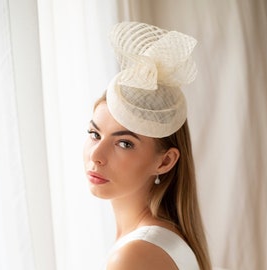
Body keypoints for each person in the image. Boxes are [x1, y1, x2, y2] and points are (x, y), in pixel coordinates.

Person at [83, 21, 212, 270]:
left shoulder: (135, 255)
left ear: (164, 161)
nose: (96, 155)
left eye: (124, 143)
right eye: (94, 134)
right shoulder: (159, 239)